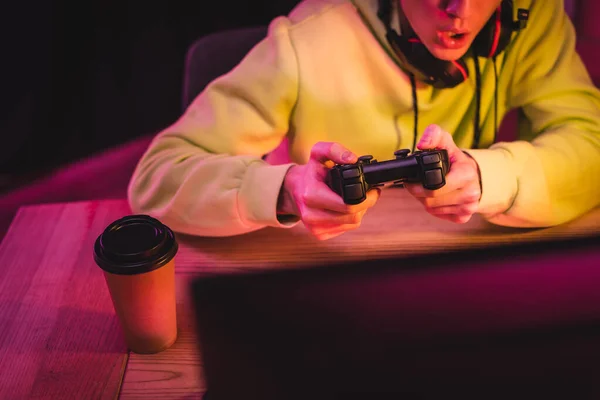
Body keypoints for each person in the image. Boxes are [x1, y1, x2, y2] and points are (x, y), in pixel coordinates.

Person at [127, 0, 600, 241]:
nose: (462, 11)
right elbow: (156, 176)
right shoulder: (309, 37)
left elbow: (591, 142)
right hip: (328, 288)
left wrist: (489, 176)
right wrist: (285, 190)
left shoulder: (529, 18)